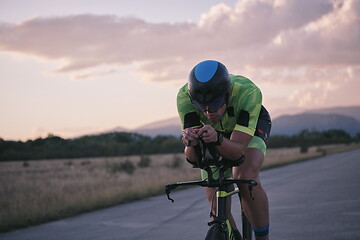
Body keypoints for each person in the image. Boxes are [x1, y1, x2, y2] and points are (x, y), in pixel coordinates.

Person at [177, 60, 271, 240]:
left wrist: (219, 139)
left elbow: (238, 153)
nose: (207, 113)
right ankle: (229, 234)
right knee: (212, 188)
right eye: (201, 106)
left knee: (245, 175)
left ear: (226, 95)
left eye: (214, 104)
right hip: (213, 133)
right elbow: (193, 159)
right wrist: (190, 142)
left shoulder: (248, 92)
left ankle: (262, 238)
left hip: (250, 126)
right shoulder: (184, 97)